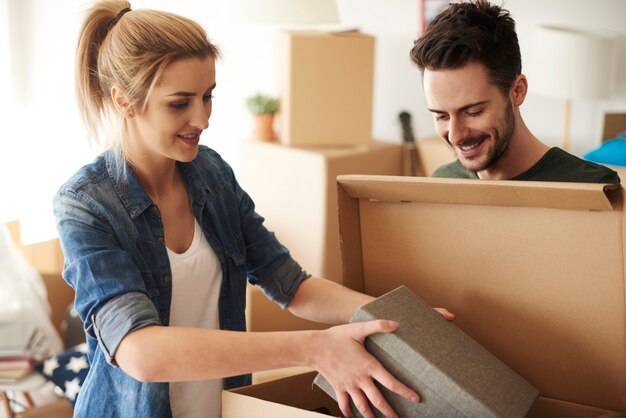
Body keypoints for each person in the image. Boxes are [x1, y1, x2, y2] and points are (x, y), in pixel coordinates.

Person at [54, 1, 454, 417]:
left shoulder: (211, 173)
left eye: (207, 97)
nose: (202, 118)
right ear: (125, 101)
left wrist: (391, 317)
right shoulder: (85, 205)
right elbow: (140, 352)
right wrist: (313, 348)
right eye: (180, 103)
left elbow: (290, 284)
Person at [410, 0, 620, 184]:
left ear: (517, 91)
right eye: (441, 116)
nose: (455, 135)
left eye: (473, 112)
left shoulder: (592, 187)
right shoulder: (443, 183)